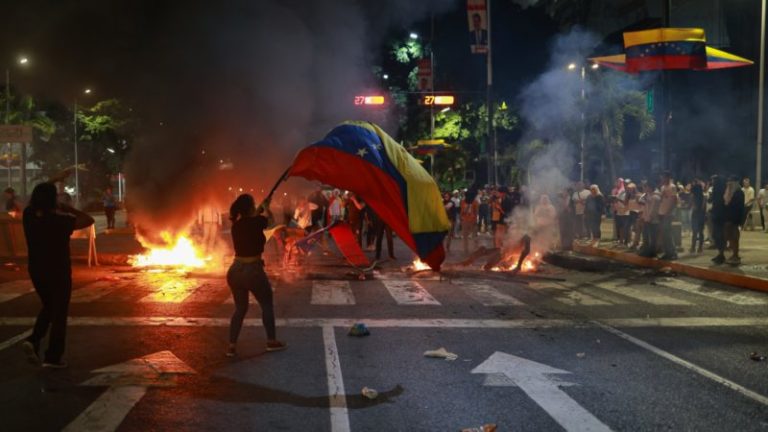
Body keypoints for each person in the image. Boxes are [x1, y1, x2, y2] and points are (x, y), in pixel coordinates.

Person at [20, 182, 94, 368]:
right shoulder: (60, 220)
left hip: (36, 270)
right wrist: (67, 208)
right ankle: (53, 357)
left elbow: (32, 204)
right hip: (58, 271)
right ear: (54, 200)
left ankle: (34, 340)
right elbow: (88, 219)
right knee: (59, 313)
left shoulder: (28, 216)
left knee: (49, 306)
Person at [226, 194, 286, 357]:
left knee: (240, 309)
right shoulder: (258, 222)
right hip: (253, 270)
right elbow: (271, 222)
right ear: (251, 208)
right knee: (266, 304)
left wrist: (259, 209)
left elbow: (251, 220)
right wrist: (267, 207)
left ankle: (231, 346)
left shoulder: (236, 225)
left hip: (235, 270)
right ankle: (271, 342)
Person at [657, 171, 678, 260]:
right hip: (661, 212)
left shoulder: (672, 187)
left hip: (667, 214)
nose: (662, 179)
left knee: (668, 234)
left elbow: (674, 201)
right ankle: (667, 252)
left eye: (663, 177)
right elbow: (661, 199)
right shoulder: (662, 187)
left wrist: (669, 212)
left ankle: (672, 253)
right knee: (664, 234)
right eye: (662, 177)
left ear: (668, 177)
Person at [724, 176, 745, 265]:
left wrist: (736, 220)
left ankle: (735, 255)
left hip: (734, 219)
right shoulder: (733, 192)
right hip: (730, 218)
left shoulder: (739, 193)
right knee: (729, 237)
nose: (729, 184)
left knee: (734, 237)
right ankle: (734, 254)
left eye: (731, 183)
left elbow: (738, 208)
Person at [638, 181, 661, 258]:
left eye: (646, 187)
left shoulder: (655, 197)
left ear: (650, 187)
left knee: (652, 237)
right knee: (646, 236)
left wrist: (649, 218)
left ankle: (652, 252)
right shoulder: (647, 195)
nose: (645, 188)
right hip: (646, 219)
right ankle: (646, 251)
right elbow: (644, 207)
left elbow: (653, 210)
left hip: (652, 220)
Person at [709, 175, 727, 264]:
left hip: (719, 216)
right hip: (719, 214)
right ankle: (720, 254)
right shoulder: (720, 189)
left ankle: (721, 254)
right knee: (717, 235)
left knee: (718, 235)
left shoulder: (718, 190)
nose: (712, 181)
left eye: (713, 180)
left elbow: (714, 201)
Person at [690, 180, 706, 254]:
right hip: (701, 215)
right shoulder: (703, 197)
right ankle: (700, 247)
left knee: (695, 232)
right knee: (700, 232)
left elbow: (694, 207)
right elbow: (703, 207)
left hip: (696, 215)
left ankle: (693, 247)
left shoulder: (694, 197)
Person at [460, 189, 479, 254]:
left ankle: (474, 248)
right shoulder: (463, 202)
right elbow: (462, 211)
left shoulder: (475, 202)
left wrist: (476, 220)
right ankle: (466, 249)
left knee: (473, 235)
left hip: (471, 220)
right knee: (466, 236)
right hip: (466, 220)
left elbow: (476, 212)